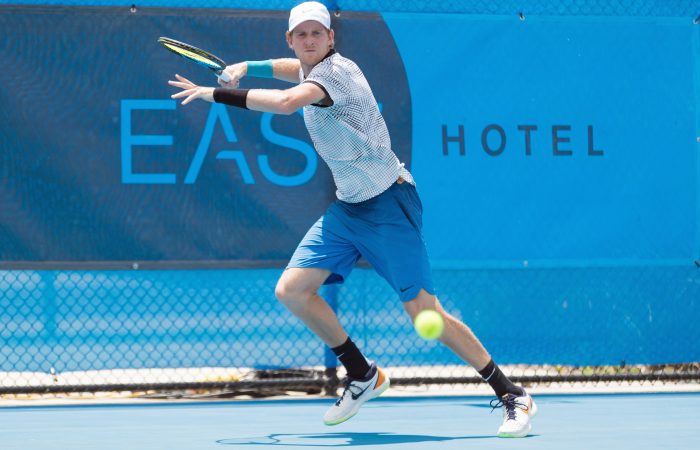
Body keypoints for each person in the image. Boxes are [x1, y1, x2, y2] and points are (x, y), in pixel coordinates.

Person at [168, 1, 536, 438]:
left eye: (316, 34)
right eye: (300, 34)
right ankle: (362, 373)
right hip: (348, 209)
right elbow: (292, 71)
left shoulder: (337, 73)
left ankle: (511, 392)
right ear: (291, 39)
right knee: (292, 290)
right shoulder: (309, 66)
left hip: (388, 203)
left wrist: (215, 92)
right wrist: (249, 64)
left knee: (424, 315)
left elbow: (287, 102)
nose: (309, 40)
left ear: (331, 39)